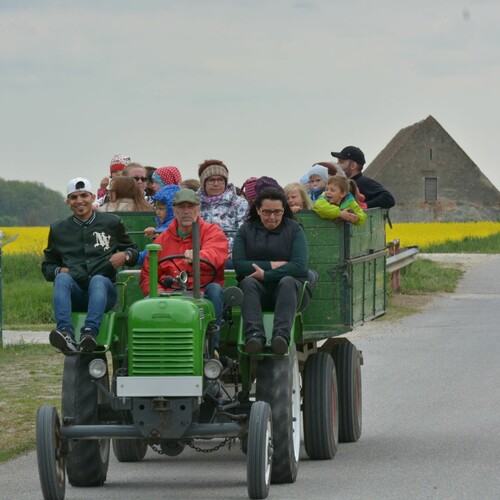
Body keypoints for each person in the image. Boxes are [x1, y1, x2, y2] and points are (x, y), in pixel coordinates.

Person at [42, 177, 139, 353]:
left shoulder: (112, 223)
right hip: (76, 292)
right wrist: (59, 270)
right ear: (68, 202)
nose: (79, 201)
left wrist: (124, 255)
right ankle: (65, 331)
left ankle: (90, 332)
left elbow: (133, 251)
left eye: (84, 195)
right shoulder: (58, 229)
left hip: (104, 292)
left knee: (98, 280)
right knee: (62, 278)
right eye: (74, 197)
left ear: (93, 196)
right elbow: (48, 266)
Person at [140, 189, 228, 344]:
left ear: (198, 209)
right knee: (146, 305)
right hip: (169, 293)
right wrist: (158, 291)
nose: (186, 211)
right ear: (174, 210)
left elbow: (217, 253)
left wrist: (199, 255)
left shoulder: (211, 231)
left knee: (215, 290)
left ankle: (212, 347)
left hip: (201, 291)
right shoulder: (162, 240)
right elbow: (148, 274)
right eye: (181, 207)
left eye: (191, 206)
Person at [232, 188, 310, 355]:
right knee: (247, 282)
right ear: (258, 210)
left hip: (290, 293)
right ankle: (254, 336)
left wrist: (266, 274)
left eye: (277, 212)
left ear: (284, 210)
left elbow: (299, 266)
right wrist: (273, 265)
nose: (272, 217)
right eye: (267, 212)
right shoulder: (246, 230)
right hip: (257, 292)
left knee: (288, 281)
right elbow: (239, 265)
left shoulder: (295, 229)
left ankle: (281, 336)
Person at [197, 159, 248, 261]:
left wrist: (234, 251)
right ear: (203, 183)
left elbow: (242, 232)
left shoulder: (239, 203)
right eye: (211, 180)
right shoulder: (194, 203)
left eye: (220, 179)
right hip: (201, 251)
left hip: (229, 253)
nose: (216, 184)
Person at [331, 146, 395, 209]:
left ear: (353, 166)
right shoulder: (345, 183)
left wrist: (364, 206)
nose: (337, 165)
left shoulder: (362, 182)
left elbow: (388, 198)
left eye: (341, 162)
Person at [138, 184, 180, 265]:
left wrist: (157, 233)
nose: (157, 212)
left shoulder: (173, 227)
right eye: (156, 208)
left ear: (171, 209)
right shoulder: (162, 225)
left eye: (161, 209)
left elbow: (168, 232)